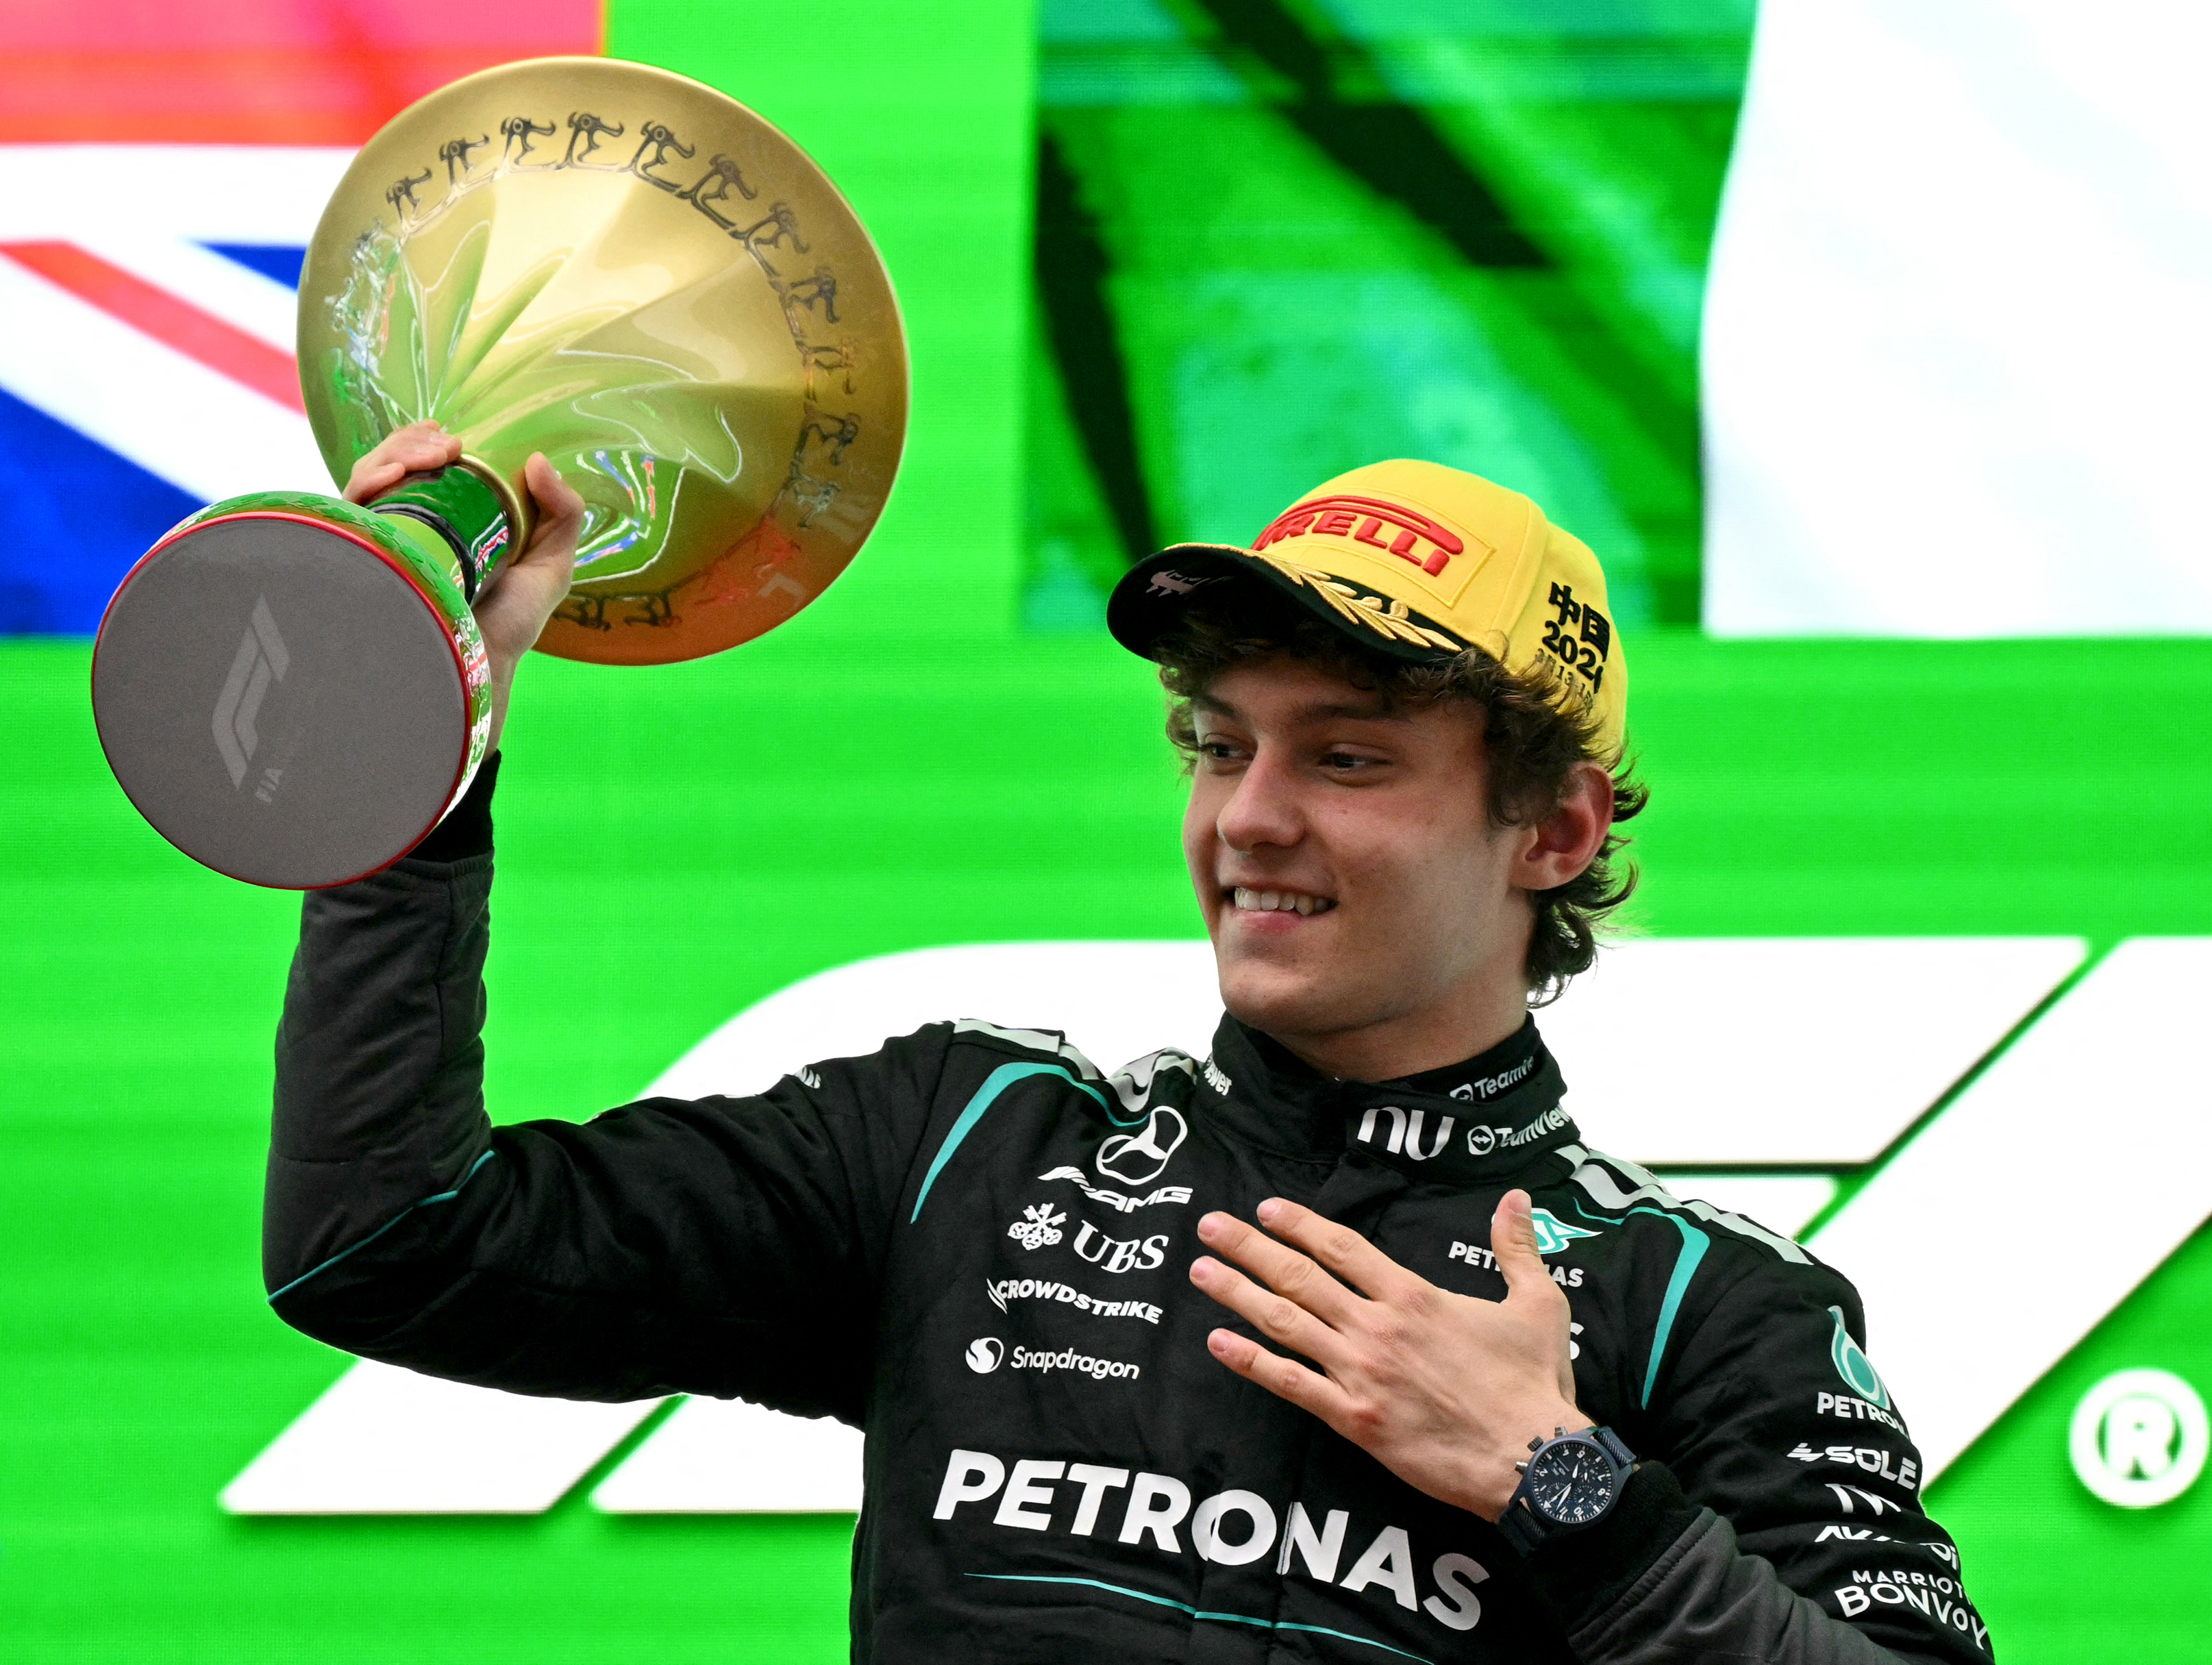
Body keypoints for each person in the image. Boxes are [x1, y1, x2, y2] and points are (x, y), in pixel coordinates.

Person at [267, 423, 1993, 1664]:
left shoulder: (1702, 1307)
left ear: (1550, 832)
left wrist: (1557, 1482)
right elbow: (391, 1246)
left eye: (1347, 757)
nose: (1246, 817)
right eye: (1212, 741)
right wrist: (421, 757)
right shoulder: (971, 1141)